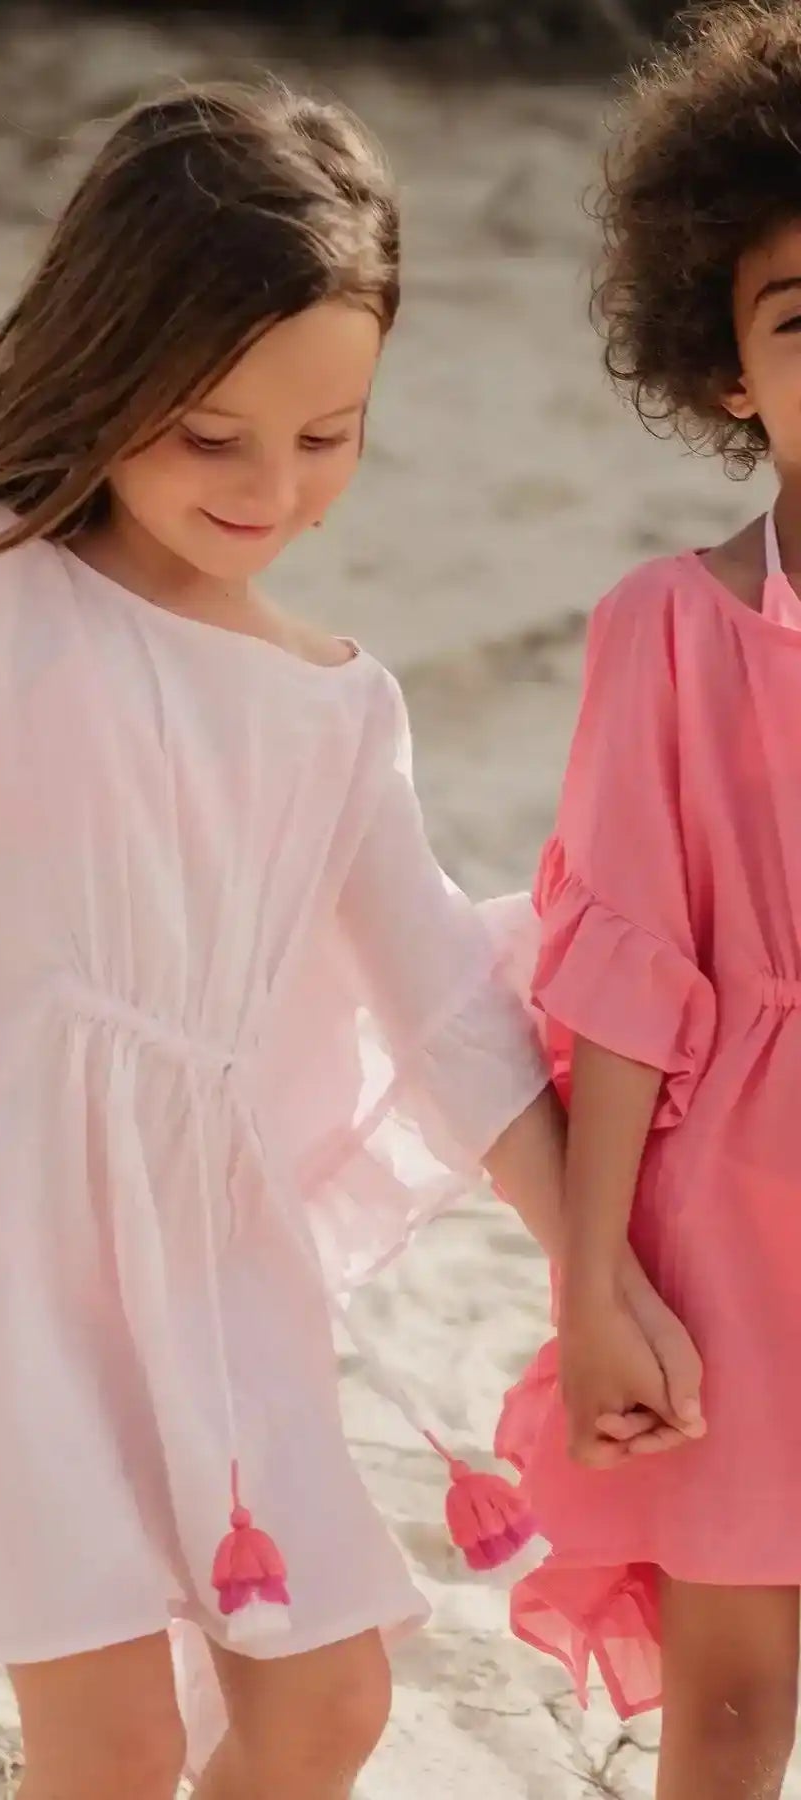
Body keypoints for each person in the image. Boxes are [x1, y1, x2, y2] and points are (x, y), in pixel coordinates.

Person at [0, 82, 689, 1800]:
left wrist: (588, 1266)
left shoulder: (334, 711)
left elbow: (443, 1011)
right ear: (107, 366)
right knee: (113, 1736)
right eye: (212, 435)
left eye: (328, 435)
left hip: (208, 1271)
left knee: (327, 1699)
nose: (271, 486)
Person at [498, 8, 801, 1798]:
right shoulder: (665, 634)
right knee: (739, 1709)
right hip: (731, 1236)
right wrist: (593, 1277)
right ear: (731, 369)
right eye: (799, 317)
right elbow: (616, 977)